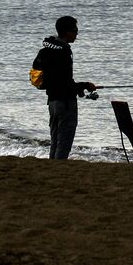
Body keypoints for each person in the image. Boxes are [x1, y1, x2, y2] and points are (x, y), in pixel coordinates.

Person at [34, 16, 96, 159]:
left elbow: (56, 80)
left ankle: (52, 168)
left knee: (55, 140)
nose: (77, 34)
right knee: (64, 142)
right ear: (67, 32)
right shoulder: (64, 52)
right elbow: (65, 83)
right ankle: (58, 168)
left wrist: (79, 88)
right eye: (75, 31)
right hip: (65, 103)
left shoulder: (47, 49)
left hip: (52, 102)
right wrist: (85, 85)